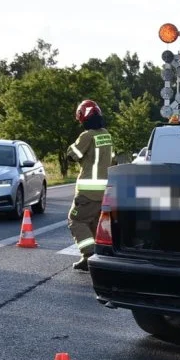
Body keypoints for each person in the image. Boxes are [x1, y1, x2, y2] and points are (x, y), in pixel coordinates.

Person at [66, 99, 113, 272]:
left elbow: (73, 155)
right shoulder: (106, 134)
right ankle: (94, 258)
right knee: (93, 223)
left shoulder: (87, 136)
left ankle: (89, 253)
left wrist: (72, 147)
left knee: (75, 220)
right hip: (104, 191)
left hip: (88, 192)